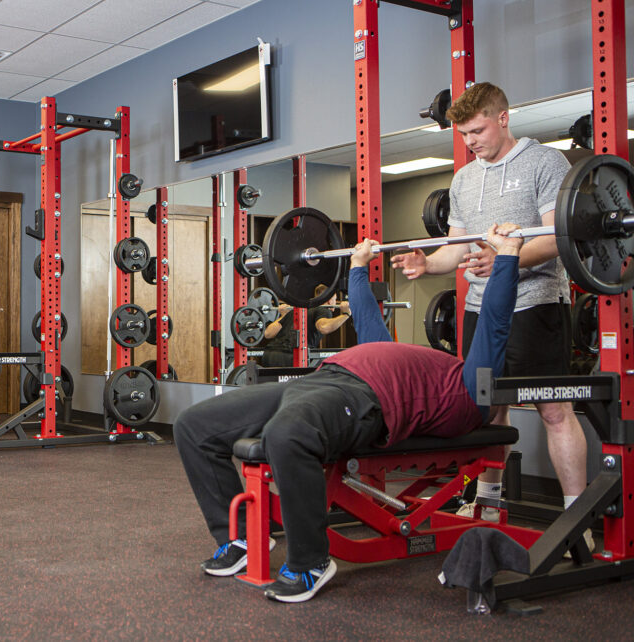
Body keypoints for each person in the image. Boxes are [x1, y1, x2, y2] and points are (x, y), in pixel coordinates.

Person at [174, 224, 523, 603]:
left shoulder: (473, 397)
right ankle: (236, 537)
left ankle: (309, 564)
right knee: (193, 425)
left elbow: (494, 326)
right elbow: (368, 321)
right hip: (321, 379)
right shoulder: (397, 357)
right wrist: (358, 266)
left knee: (286, 434)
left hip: (365, 399)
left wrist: (508, 257)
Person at [390, 82, 587, 530]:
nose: (470, 141)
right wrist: (429, 263)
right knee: (486, 407)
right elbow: (455, 250)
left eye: (476, 130)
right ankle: (488, 503)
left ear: (503, 118)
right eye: (462, 135)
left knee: (554, 409)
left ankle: (576, 516)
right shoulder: (464, 177)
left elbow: (558, 239)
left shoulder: (544, 162)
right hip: (481, 310)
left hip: (534, 305)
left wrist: (504, 259)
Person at [260, 293, 350, 368]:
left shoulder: (294, 310)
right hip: (291, 357)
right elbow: (324, 327)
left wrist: (283, 315)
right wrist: (346, 314)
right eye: (335, 299)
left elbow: (268, 333)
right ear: (330, 300)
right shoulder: (323, 310)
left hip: (270, 355)